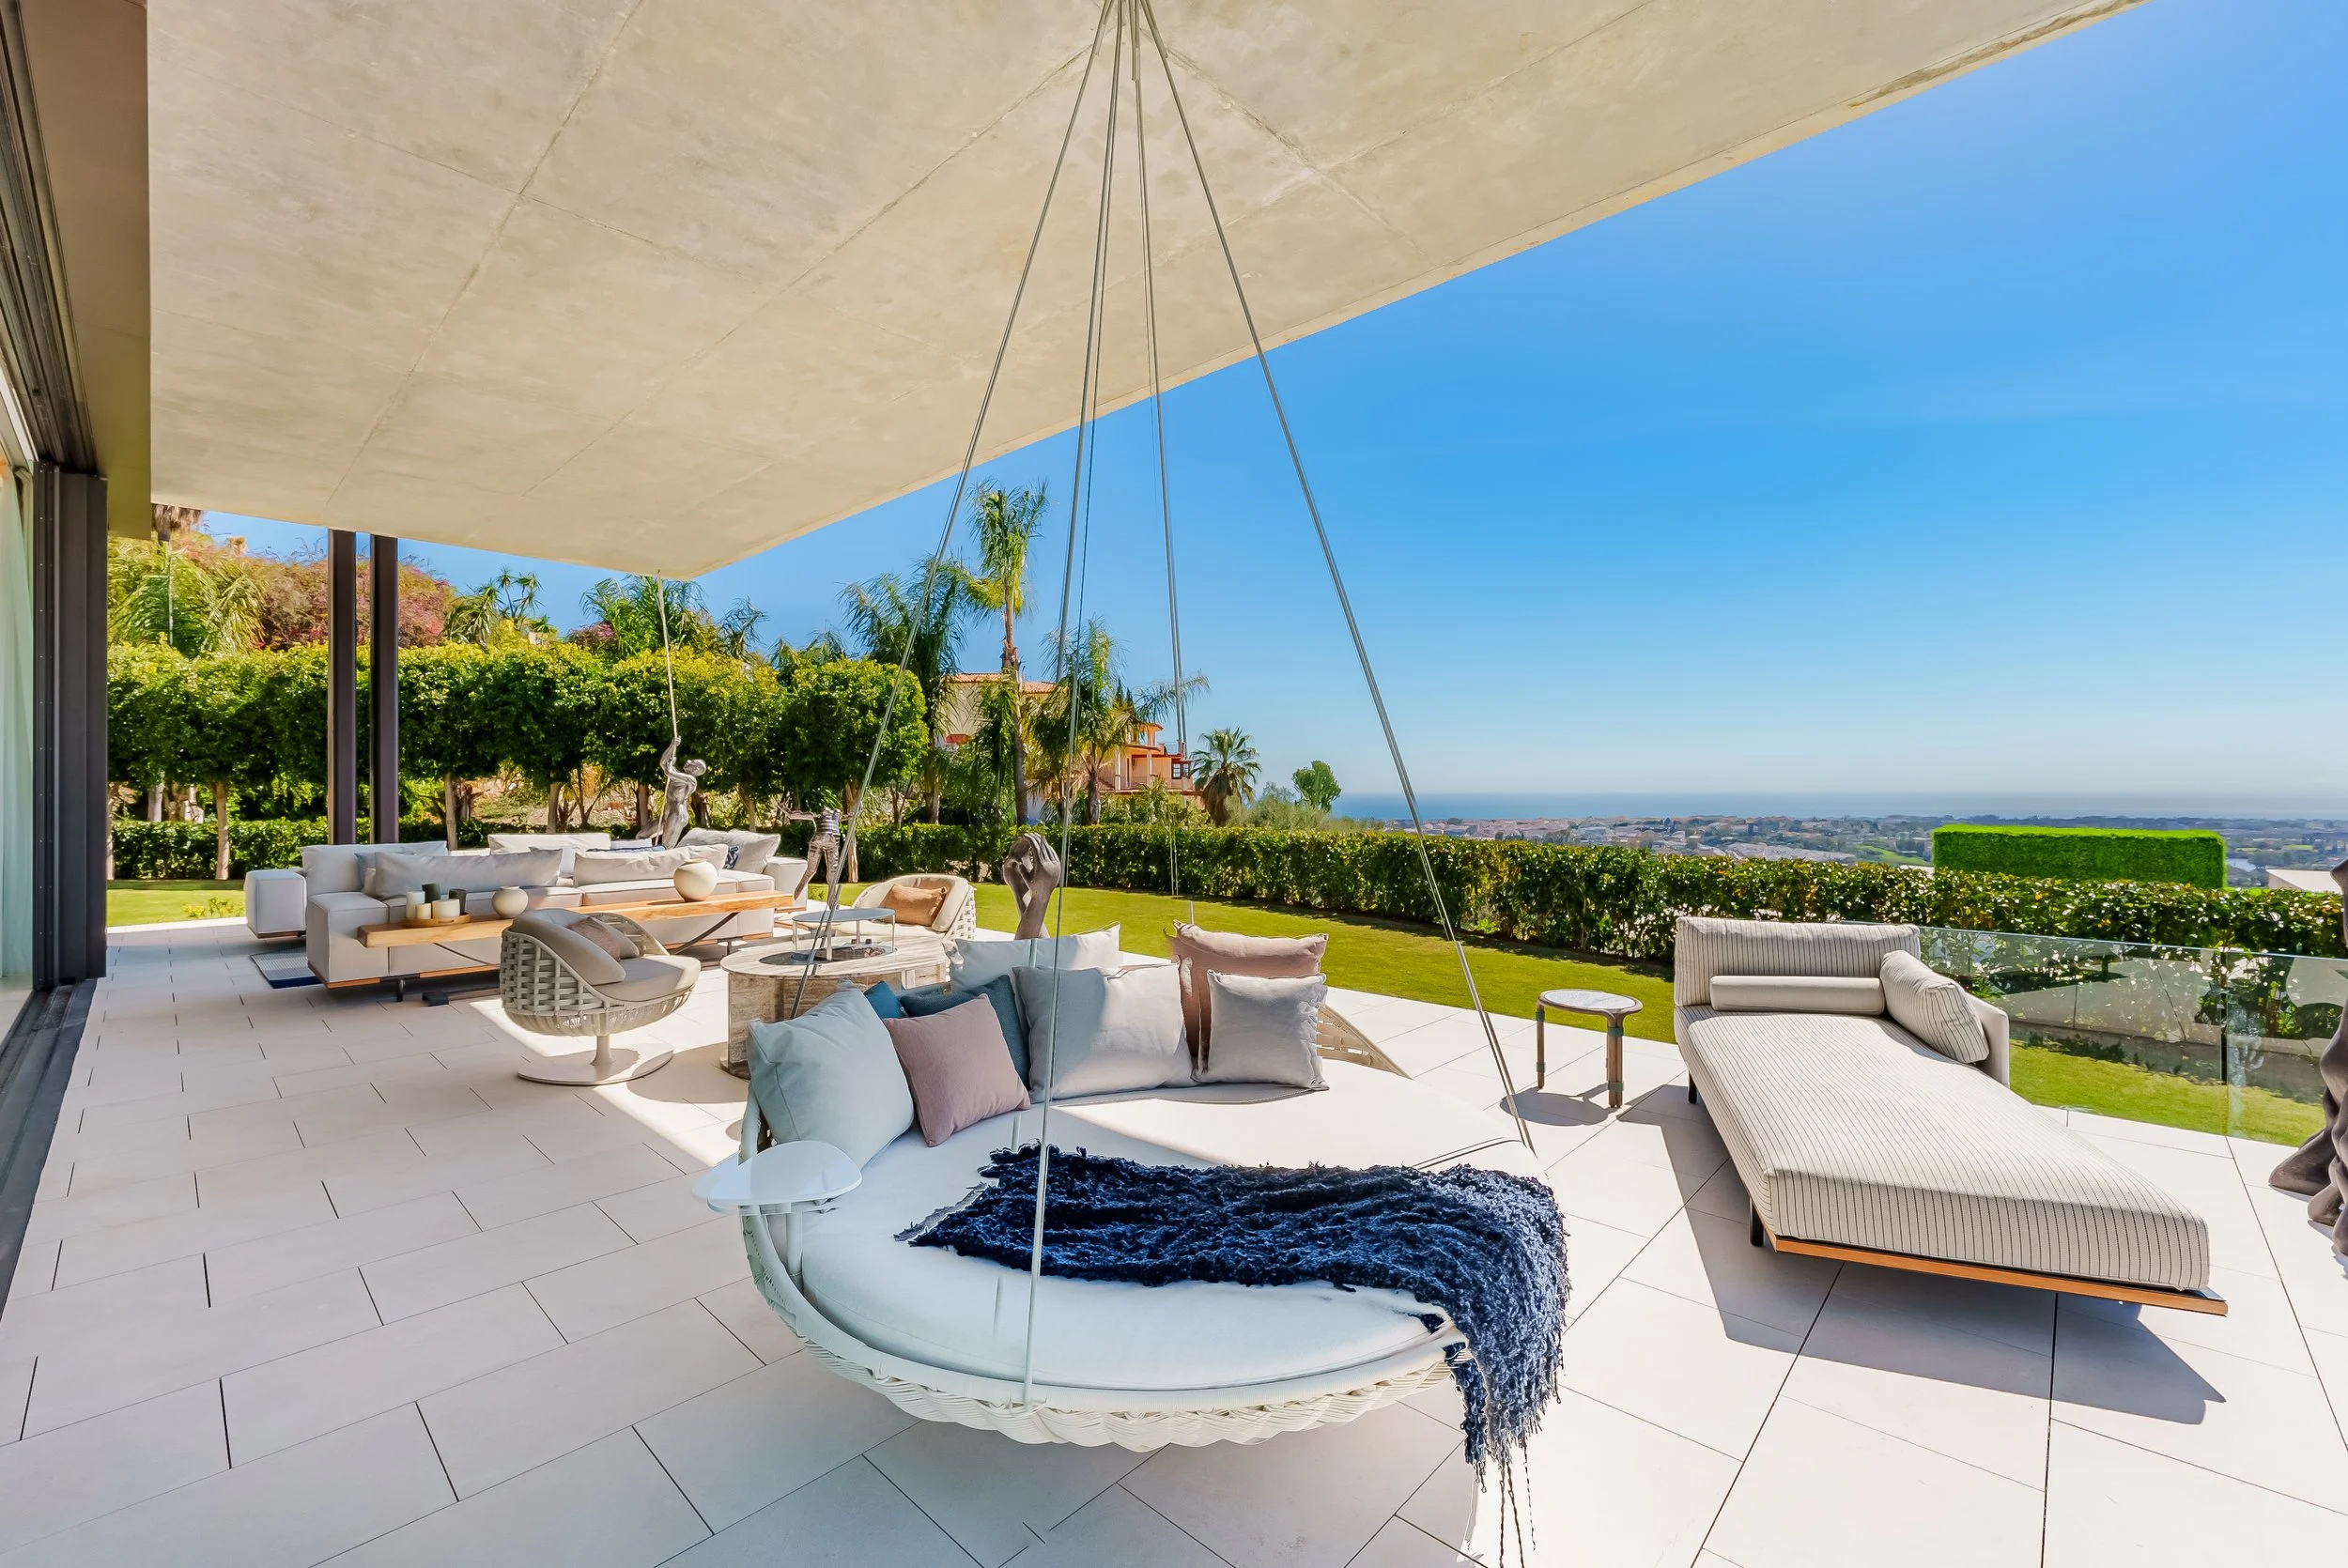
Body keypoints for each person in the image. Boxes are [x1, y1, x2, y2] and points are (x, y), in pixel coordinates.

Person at [655, 737, 706, 849]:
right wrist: (673, 745)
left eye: (692, 762)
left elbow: (668, 771)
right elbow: (663, 764)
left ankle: (666, 865)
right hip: (668, 811)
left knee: (666, 846)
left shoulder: (691, 780)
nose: (688, 761)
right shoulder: (679, 777)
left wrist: (671, 763)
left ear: (696, 769)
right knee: (642, 835)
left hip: (678, 813)